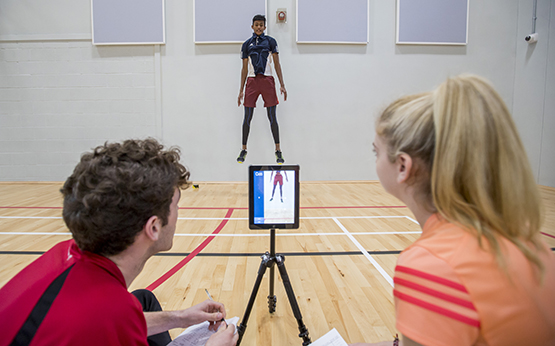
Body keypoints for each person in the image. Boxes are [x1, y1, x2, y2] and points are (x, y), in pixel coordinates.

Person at [351, 75, 555, 346]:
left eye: (376, 152)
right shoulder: (529, 242)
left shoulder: (431, 265)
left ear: (403, 166)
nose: (375, 160)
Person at [0, 139, 239, 346]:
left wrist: (181, 317)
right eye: (176, 205)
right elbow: (107, 322)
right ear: (153, 227)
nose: (178, 213)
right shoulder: (105, 317)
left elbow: (115, 320)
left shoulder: (63, 255)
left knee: (143, 298)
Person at [237, 14, 287, 164]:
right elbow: (244, 69)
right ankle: (243, 149)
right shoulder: (246, 45)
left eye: (261, 25)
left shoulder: (271, 42)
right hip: (252, 81)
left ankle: (278, 150)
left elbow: (277, 64)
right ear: (252, 26)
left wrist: (282, 84)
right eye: (256, 25)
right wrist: (241, 90)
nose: (259, 27)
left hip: (267, 80)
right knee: (247, 117)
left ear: (265, 27)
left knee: (272, 117)